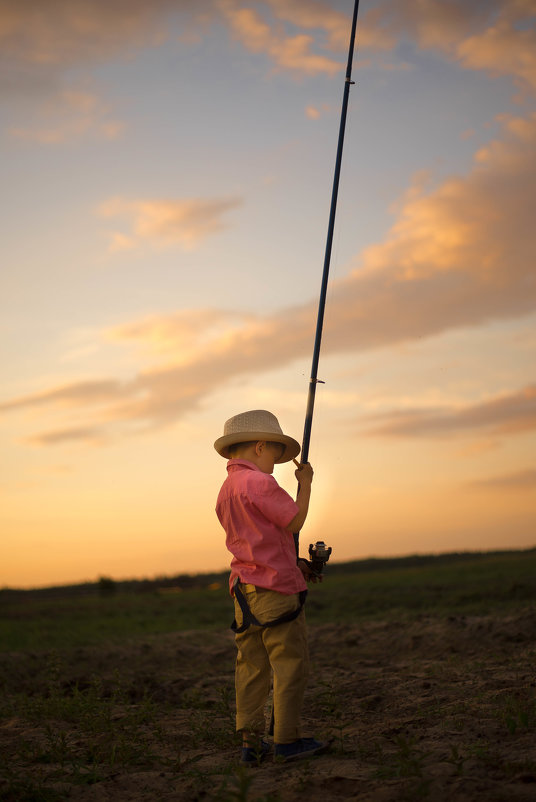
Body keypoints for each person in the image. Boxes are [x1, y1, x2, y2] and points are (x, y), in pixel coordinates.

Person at [214, 409, 328, 764]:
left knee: (250, 667)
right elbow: (293, 521)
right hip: (276, 591)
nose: (275, 465)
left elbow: (258, 541)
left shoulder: (226, 490)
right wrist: (306, 483)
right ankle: (287, 740)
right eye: (274, 456)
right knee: (290, 664)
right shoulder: (260, 483)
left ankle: (250, 743)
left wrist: (295, 562)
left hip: (243, 592)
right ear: (260, 446)